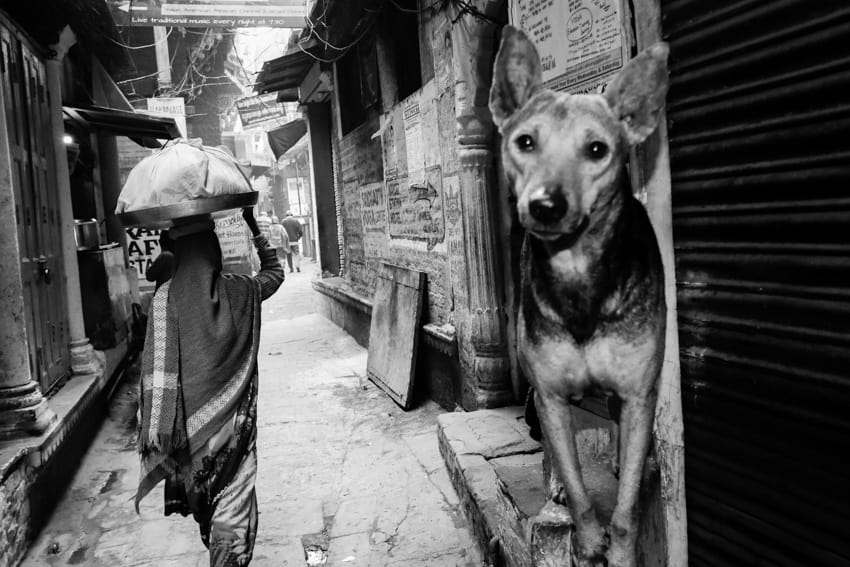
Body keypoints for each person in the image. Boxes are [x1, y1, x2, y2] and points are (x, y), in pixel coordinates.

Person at [135, 208, 284, 567]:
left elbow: (156, 374)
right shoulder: (239, 291)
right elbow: (275, 274)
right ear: (213, 251)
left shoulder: (163, 302)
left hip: (190, 440)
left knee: (209, 509)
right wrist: (253, 226)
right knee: (233, 508)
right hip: (233, 433)